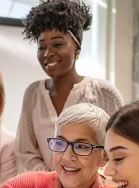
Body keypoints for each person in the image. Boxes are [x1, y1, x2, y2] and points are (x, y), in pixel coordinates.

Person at [15, 0, 124, 173]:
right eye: (41, 46)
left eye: (57, 44)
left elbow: (118, 151)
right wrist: (54, 183)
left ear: (77, 50)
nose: (48, 53)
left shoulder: (104, 93)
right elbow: (25, 152)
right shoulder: (33, 94)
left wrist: (82, 184)